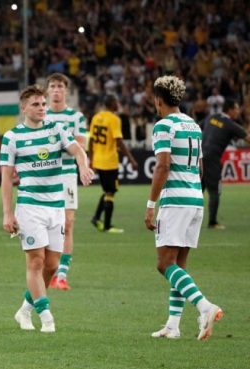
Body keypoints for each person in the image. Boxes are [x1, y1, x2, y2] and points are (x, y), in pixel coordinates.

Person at [1, 85, 93, 334]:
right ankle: (47, 316)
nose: (42, 108)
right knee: (36, 262)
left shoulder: (57, 130)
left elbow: (77, 150)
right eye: (36, 104)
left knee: (52, 264)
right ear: (24, 108)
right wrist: (8, 213)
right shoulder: (12, 137)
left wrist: (83, 166)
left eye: (43, 104)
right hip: (30, 208)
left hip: (56, 207)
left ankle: (24, 310)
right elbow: (6, 178)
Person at [144, 75, 223, 341]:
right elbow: (200, 167)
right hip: (194, 198)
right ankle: (173, 325)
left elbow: (163, 166)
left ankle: (204, 306)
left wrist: (150, 204)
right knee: (180, 264)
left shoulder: (163, 126)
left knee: (164, 264)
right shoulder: (193, 125)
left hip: (175, 200)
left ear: (158, 99)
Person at [44, 73, 88, 291]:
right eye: (52, 86)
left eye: (60, 86)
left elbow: (81, 145)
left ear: (66, 91)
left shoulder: (76, 117)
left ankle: (61, 275)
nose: (56, 90)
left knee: (68, 223)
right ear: (47, 90)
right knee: (48, 223)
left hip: (67, 174)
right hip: (44, 175)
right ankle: (48, 270)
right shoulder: (42, 116)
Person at [88, 94, 138, 233]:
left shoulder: (95, 117)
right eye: (116, 102)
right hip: (110, 162)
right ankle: (107, 225)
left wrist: (91, 160)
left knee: (107, 191)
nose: (118, 105)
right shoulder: (115, 119)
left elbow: (91, 141)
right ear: (112, 104)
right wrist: (132, 159)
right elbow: (119, 141)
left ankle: (97, 218)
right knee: (111, 192)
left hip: (98, 160)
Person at [200, 99, 250, 229]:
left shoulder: (211, 117)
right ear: (230, 110)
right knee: (215, 191)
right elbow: (247, 138)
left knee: (198, 190)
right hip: (212, 159)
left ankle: (188, 220)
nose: (238, 111)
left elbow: (197, 128)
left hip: (199, 157)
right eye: (237, 108)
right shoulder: (230, 124)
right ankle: (212, 222)